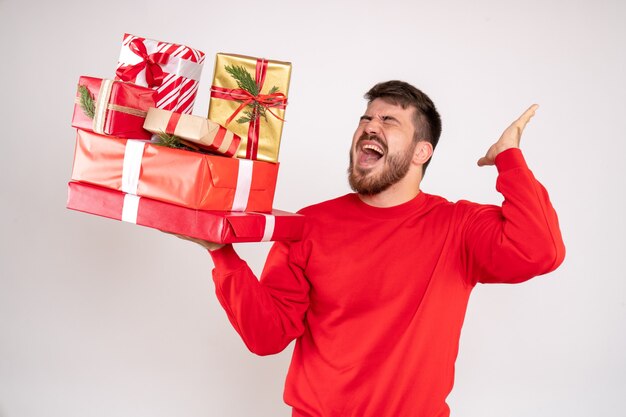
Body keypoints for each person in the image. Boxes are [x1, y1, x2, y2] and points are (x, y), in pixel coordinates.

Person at [174, 80, 565, 417]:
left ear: (420, 152)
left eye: (388, 120)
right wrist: (221, 252)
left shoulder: (458, 227)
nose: (370, 127)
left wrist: (509, 159)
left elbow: (541, 250)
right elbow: (267, 336)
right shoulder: (308, 225)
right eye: (366, 119)